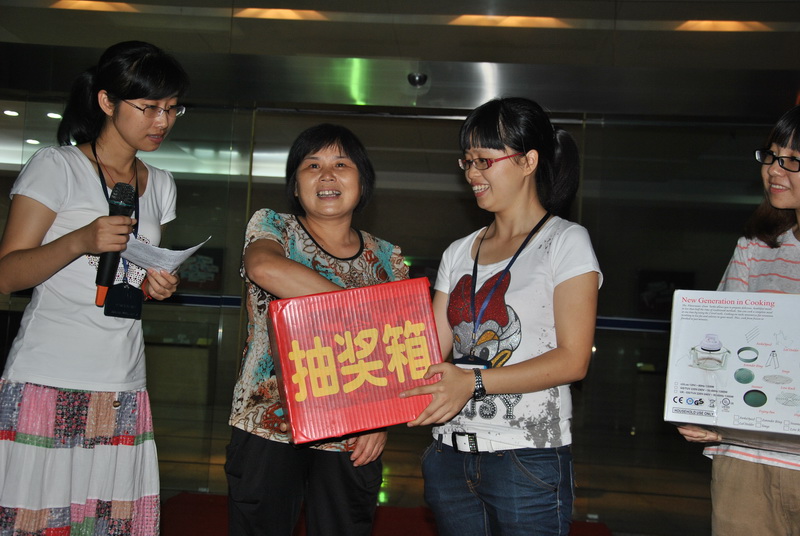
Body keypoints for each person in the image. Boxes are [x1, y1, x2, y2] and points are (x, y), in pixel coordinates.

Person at [0, 41, 188, 534]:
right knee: (36, 521)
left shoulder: (161, 184)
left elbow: (129, 274)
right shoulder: (57, 166)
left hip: (122, 378)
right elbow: (7, 274)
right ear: (107, 101)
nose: (162, 121)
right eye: (149, 107)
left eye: (172, 109)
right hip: (48, 374)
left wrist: (154, 284)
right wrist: (80, 240)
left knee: (107, 524)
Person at [401, 97, 602, 536]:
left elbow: (573, 360)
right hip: (449, 455)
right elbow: (426, 352)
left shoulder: (565, 242)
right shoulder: (459, 252)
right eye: (467, 161)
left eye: (484, 161)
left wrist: (472, 381)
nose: (472, 173)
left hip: (526, 456)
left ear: (528, 161)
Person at [225, 123, 409, 536]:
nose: (326, 175)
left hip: (353, 430)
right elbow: (264, 267)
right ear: (295, 185)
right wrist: (362, 313)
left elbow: (397, 347)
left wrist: (382, 419)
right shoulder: (275, 227)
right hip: (268, 422)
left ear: (363, 181)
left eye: (341, 164)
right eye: (312, 165)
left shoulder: (388, 258)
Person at [677, 104, 800, 536]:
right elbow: (719, 346)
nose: (775, 170)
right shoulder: (756, 249)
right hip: (747, 462)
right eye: (771, 156)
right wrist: (707, 413)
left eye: (793, 160)